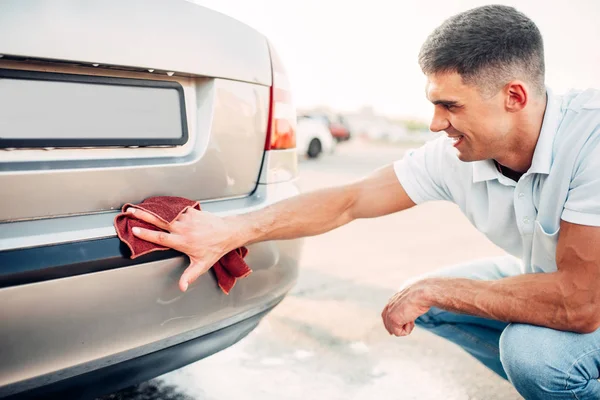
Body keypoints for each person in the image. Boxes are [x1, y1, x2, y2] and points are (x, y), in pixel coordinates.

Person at [125, 5, 600, 399]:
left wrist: (437, 289)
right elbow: (350, 200)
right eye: (434, 104)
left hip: (588, 295)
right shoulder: (455, 155)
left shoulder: (590, 138)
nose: (436, 124)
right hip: (559, 282)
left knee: (533, 353)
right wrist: (232, 230)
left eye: (451, 106)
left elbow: (581, 304)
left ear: (514, 96)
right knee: (427, 301)